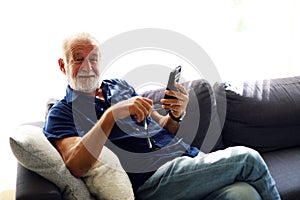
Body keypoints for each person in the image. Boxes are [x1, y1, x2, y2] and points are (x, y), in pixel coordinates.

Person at [43, 32, 281, 200]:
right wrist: (110, 116)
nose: (88, 65)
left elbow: (163, 127)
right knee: (247, 158)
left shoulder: (119, 86)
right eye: (78, 58)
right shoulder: (62, 113)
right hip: (153, 180)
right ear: (63, 66)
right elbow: (75, 164)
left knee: (244, 195)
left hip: (187, 161)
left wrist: (177, 115)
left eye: (93, 58)